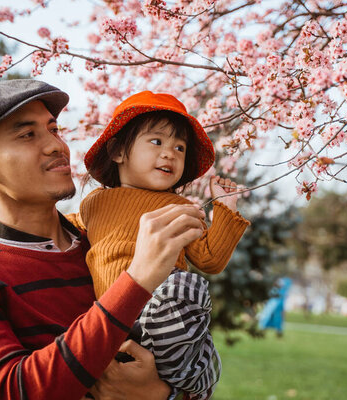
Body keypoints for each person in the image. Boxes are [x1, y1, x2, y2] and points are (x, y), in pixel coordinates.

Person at [0, 79, 206, 400]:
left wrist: (161, 394)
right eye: (27, 134)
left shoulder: (106, 241)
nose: (58, 145)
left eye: (53, 129)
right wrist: (136, 280)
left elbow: (187, 361)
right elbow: (12, 391)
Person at [75, 91, 250, 399]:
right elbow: (70, 230)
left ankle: (193, 373)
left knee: (186, 288)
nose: (170, 153)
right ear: (118, 152)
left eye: (179, 147)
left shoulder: (177, 207)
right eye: (156, 142)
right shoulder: (94, 203)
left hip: (160, 312)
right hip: (111, 317)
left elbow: (210, 259)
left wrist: (225, 208)